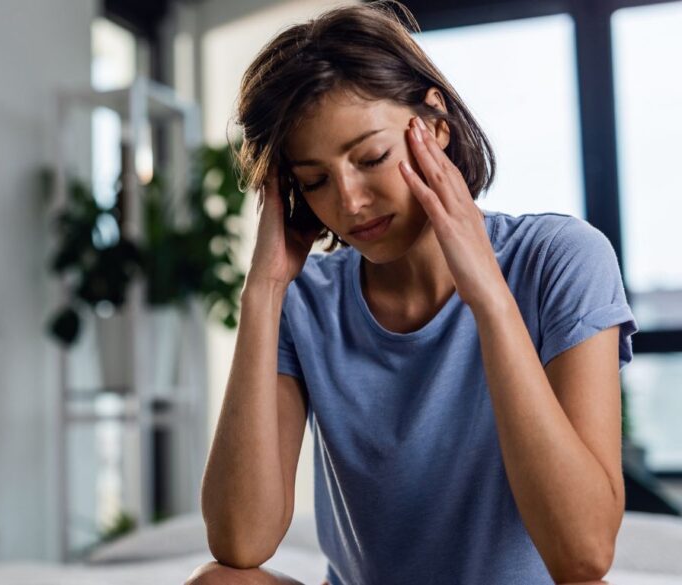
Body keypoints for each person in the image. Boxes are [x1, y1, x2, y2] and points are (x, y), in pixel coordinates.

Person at [185, 1, 639, 584]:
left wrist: (489, 298)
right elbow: (241, 540)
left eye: (371, 158)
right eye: (316, 181)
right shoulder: (306, 298)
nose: (349, 202)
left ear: (435, 126)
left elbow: (583, 554)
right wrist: (263, 292)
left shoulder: (561, 258)